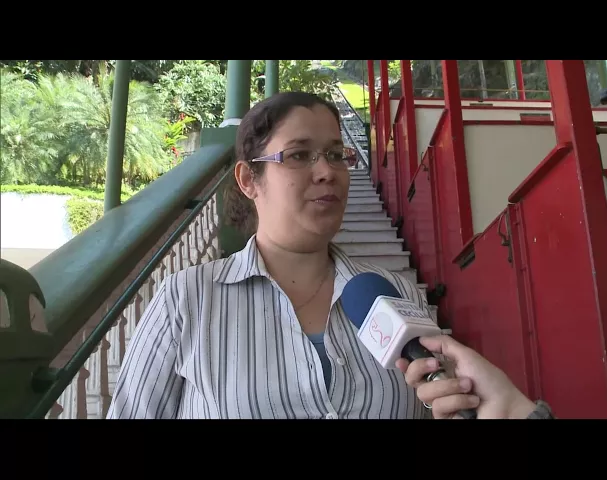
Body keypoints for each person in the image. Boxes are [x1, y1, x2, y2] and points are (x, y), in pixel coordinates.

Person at [106, 91, 553, 420]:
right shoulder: (186, 299)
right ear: (248, 180)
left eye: (337, 154)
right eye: (300, 155)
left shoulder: (392, 292)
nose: (327, 172)